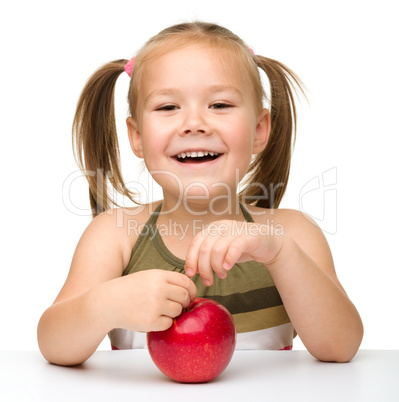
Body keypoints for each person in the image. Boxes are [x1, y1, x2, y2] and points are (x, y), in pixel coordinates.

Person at [37, 21, 363, 366]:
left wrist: (280, 254)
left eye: (220, 105)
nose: (194, 123)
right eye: (167, 107)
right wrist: (103, 305)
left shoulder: (292, 233)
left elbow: (340, 348)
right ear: (136, 136)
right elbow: (53, 345)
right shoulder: (115, 235)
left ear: (258, 130)